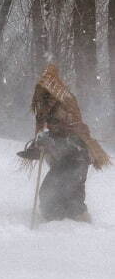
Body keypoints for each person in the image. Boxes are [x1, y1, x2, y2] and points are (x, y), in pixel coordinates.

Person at [16, 64, 108, 223]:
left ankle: (75, 231)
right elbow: (50, 137)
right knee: (52, 193)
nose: (43, 97)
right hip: (63, 160)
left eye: (45, 93)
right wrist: (38, 147)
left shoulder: (66, 103)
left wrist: (51, 141)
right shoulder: (46, 109)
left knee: (70, 198)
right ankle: (59, 225)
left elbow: (73, 134)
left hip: (77, 157)